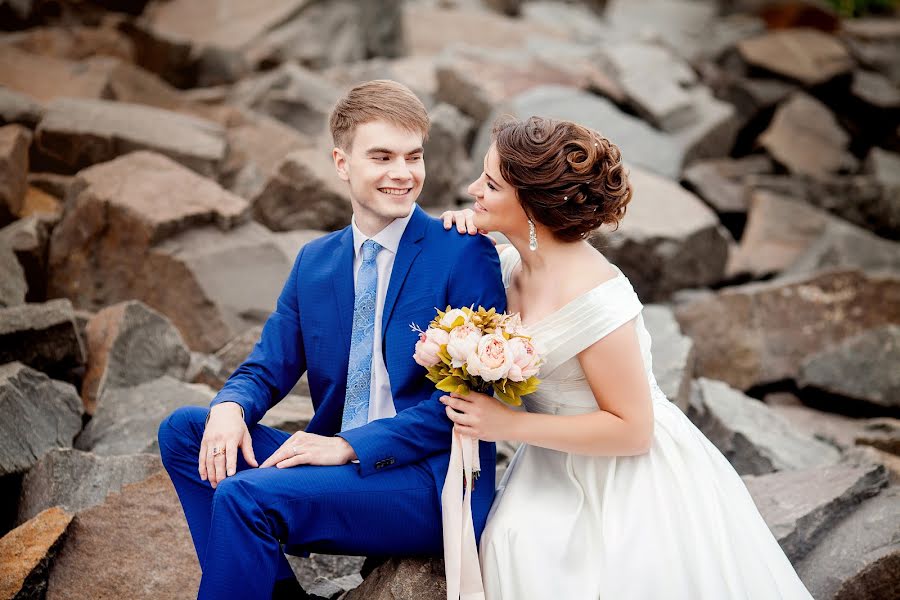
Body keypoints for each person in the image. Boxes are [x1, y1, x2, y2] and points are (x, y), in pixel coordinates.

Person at [157, 80, 506, 600]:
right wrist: (230, 406)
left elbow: (466, 405)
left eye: (413, 156)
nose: (403, 174)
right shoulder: (315, 263)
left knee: (245, 497)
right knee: (187, 431)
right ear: (341, 163)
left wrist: (346, 447)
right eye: (382, 157)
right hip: (343, 467)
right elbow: (267, 365)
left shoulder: (461, 253)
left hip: (428, 482)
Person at [440, 116, 815, 599]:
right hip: (551, 462)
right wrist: (458, 235)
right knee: (512, 543)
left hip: (626, 475)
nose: (473, 188)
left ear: (531, 204)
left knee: (543, 556)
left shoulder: (597, 300)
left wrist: (505, 425)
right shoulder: (508, 261)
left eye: (489, 184)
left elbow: (633, 430)